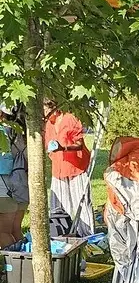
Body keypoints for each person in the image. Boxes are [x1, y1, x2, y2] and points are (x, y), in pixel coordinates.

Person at [44, 100, 94, 237]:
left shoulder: (69, 118)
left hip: (75, 168)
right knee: (59, 205)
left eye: (44, 110)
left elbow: (79, 143)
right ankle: (61, 233)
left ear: (52, 107)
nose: (43, 114)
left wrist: (63, 148)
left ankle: (87, 236)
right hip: (58, 169)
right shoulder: (48, 124)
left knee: (81, 203)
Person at [0, 103, 28, 244]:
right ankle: (25, 261)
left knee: (2, 233)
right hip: (22, 185)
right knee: (15, 229)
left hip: (4, 188)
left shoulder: (3, 131)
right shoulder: (23, 131)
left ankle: (14, 265)